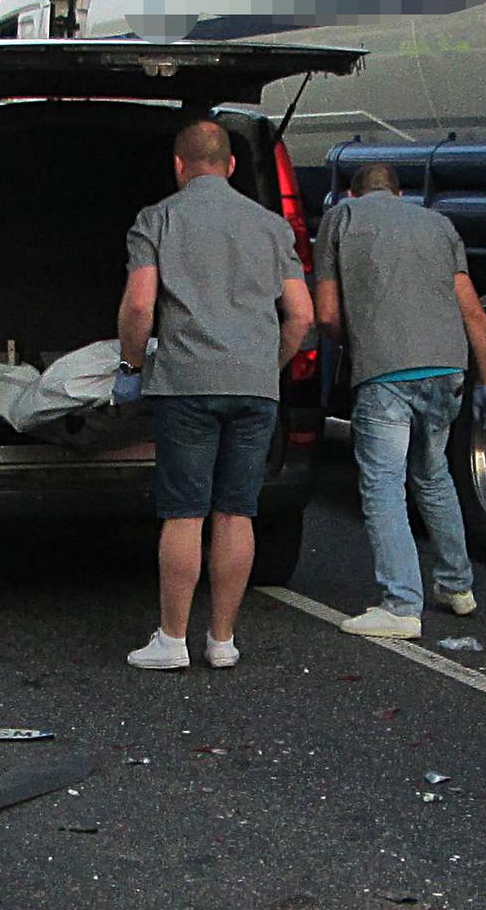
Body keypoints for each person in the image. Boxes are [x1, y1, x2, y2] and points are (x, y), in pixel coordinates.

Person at [114, 119, 314, 670]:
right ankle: (222, 640)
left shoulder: (157, 219)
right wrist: (267, 367)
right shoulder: (272, 227)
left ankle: (172, 640)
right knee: (236, 512)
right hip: (255, 387)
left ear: (179, 166)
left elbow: (139, 305)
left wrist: (131, 365)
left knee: (185, 513)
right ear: (231, 166)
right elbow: (301, 315)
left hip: (187, 385)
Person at [314, 163, 486, 640]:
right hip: (448, 371)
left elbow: (327, 314)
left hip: (385, 375)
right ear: (399, 194)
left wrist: (360, 343)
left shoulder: (341, 218)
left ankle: (400, 605)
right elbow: (474, 313)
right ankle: (457, 585)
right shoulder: (439, 224)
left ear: (353, 193)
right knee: (433, 474)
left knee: (383, 485)